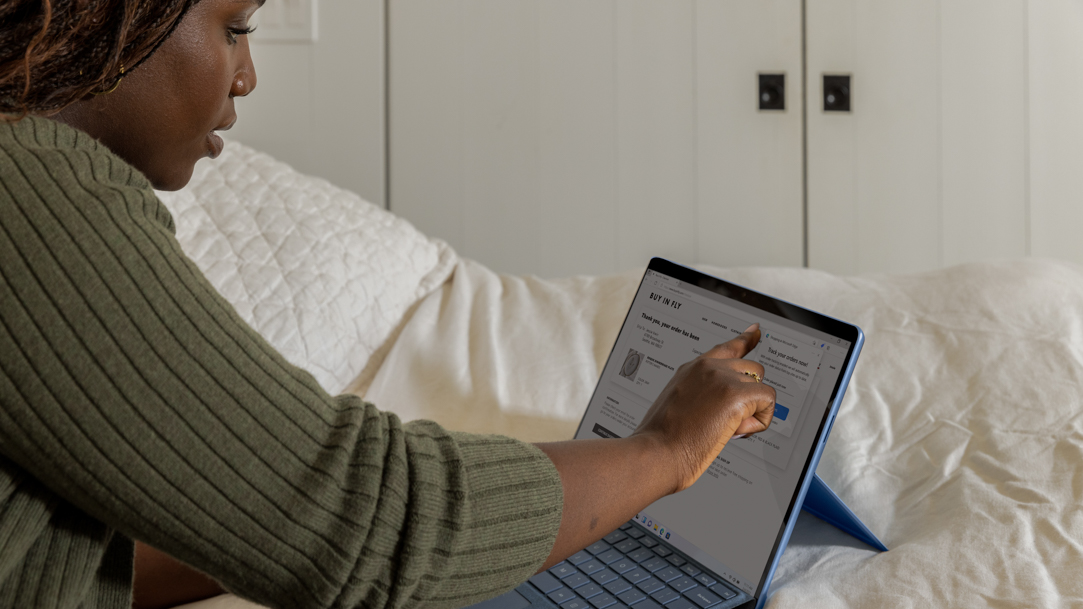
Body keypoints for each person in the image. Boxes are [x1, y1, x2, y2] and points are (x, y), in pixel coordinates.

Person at [0, 1, 777, 608]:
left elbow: (81, 532)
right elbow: (367, 519)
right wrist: (664, 451)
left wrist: (249, 512)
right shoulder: (28, 186)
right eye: (233, 28)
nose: (246, 76)